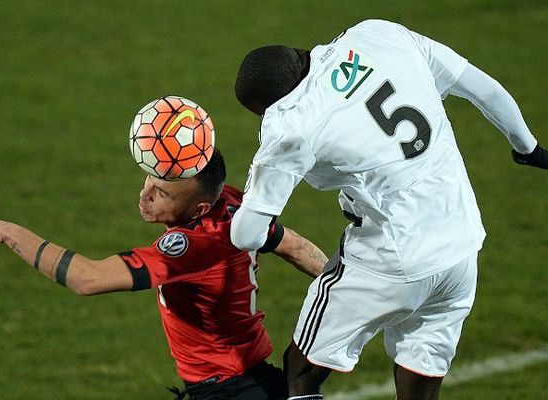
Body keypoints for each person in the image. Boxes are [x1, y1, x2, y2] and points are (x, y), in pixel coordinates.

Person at [230, 19, 548, 400]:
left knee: (301, 372)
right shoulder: (379, 34)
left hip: (388, 262)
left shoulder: (291, 124)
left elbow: (245, 234)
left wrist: (250, 187)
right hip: (461, 247)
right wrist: (528, 148)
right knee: (421, 373)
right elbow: (485, 89)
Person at [0, 148, 329, 400]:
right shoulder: (230, 202)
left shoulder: (190, 248)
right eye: (150, 178)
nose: (146, 193)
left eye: (161, 192)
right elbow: (291, 245)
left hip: (231, 391)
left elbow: (87, 278)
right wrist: (342, 286)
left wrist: (8, 232)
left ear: (196, 209)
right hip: (248, 381)